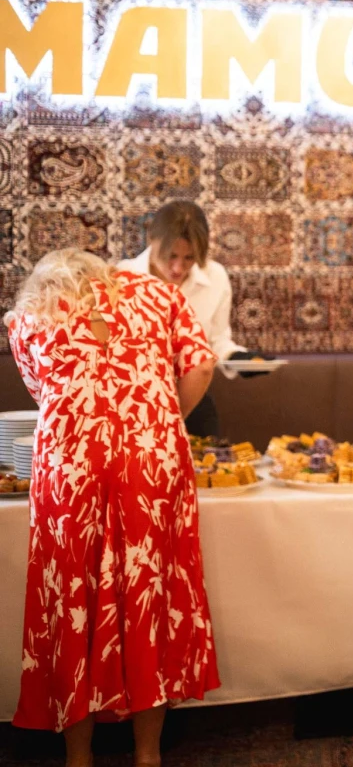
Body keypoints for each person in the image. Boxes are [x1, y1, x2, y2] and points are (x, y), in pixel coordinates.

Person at [4, 250, 219, 767]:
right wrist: (163, 417)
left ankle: (79, 758)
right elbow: (202, 363)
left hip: (70, 468)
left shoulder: (30, 313)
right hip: (151, 461)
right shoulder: (159, 295)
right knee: (149, 596)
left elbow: (43, 392)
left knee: (71, 604)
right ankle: (148, 755)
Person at [119, 200, 258, 441]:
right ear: (152, 239)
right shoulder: (122, 278)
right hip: (135, 404)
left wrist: (239, 358)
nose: (178, 268)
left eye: (189, 258)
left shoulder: (215, 277)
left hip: (193, 401)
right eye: (170, 255)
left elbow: (216, 342)